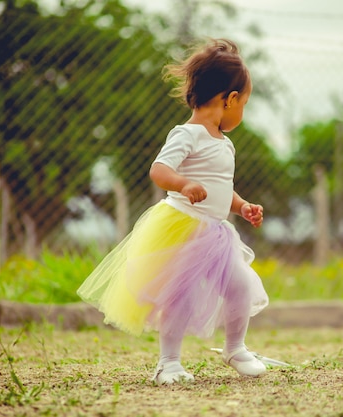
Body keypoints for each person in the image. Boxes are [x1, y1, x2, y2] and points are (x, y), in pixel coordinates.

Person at [77, 38, 270, 385]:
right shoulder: (187, 134)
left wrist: (241, 206)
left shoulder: (223, 142)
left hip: (216, 234)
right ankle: (168, 362)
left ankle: (235, 348)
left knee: (240, 286)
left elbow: (220, 188)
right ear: (231, 99)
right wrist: (182, 184)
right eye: (245, 103)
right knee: (179, 297)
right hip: (182, 229)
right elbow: (159, 169)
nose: (243, 111)